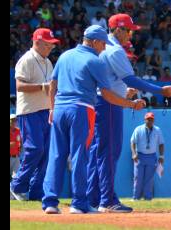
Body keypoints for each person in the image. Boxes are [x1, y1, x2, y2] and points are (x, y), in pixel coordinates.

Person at [42, 25, 146, 215]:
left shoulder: (64, 56)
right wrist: (131, 104)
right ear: (95, 41)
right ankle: (79, 204)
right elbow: (107, 95)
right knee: (80, 156)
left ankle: (50, 202)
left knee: (56, 156)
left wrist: (51, 109)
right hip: (81, 110)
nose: (105, 48)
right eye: (103, 44)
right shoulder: (95, 61)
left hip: (59, 109)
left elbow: (52, 84)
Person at [86, 14, 171, 213]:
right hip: (108, 105)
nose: (130, 34)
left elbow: (111, 81)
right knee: (109, 153)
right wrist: (160, 91)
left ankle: (92, 198)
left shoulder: (101, 47)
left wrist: (121, 92)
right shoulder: (115, 50)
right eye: (128, 30)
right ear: (117, 29)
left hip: (97, 102)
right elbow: (131, 80)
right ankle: (107, 200)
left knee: (98, 152)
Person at [10, 28, 60, 202]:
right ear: (37, 42)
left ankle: (36, 192)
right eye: (48, 44)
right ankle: (17, 185)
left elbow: (51, 88)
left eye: (52, 45)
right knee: (35, 149)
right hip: (29, 111)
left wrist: (53, 109)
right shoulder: (26, 59)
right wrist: (42, 87)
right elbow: (19, 86)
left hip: (45, 111)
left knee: (46, 153)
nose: (51, 48)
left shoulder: (48, 62)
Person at [130, 112, 165, 201]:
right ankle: (135, 198)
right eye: (148, 119)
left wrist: (161, 156)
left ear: (154, 120)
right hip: (140, 156)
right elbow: (133, 142)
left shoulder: (157, 130)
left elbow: (161, 144)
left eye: (151, 119)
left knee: (149, 179)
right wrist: (134, 153)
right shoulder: (138, 129)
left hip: (152, 156)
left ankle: (148, 198)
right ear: (145, 120)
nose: (150, 121)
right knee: (138, 178)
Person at [10, 114, 21, 181]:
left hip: (16, 157)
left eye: (15, 120)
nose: (14, 122)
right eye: (12, 120)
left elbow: (21, 143)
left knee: (16, 176)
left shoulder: (18, 131)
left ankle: (14, 190)